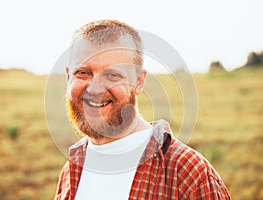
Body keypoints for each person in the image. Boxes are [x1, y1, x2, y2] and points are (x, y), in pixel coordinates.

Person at [54, 19, 231, 200]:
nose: (94, 89)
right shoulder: (72, 170)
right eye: (83, 73)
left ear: (139, 82)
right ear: (68, 77)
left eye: (113, 75)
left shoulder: (188, 174)